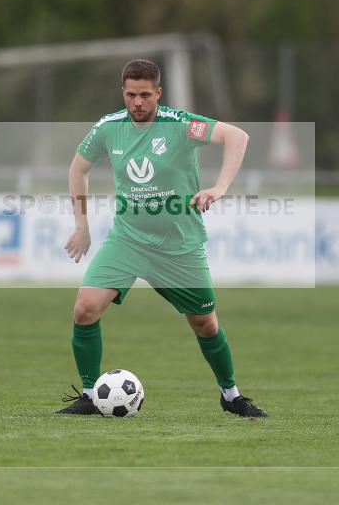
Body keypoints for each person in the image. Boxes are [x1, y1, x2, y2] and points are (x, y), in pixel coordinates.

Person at [56, 59, 268, 418]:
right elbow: (78, 168)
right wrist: (82, 226)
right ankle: (91, 395)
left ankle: (230, 395)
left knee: (205, 324)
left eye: (144, 95)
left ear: (158, 93)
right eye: (130, 95)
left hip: (179, 246)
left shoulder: (181, 125)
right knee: (85, 308)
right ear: (123, 93)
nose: (137, 102)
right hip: (128, 240)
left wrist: (219, 187)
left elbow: (237, 136)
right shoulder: (109, 128)